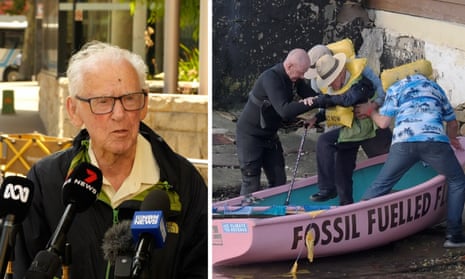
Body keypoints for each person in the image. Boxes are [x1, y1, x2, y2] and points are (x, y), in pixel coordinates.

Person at [13, 41, 208, 278]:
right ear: (74, 110)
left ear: (144, 104)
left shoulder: (184, 182)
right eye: (103, 102)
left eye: (130, 98)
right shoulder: (46, 181)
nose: (119, 114)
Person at [356, 73, 465, 248]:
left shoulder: (396, 87)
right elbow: (452, 124)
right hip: (434, 143)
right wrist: (452, 139)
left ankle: (358, 220)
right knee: (457, 181)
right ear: (427, 77)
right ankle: (454, 236)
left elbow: (383, 123)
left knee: (382, 184)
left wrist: (371, 111)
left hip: (403, 143)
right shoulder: (436, 88)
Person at [303, 52, 384, 205]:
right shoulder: (334, 86)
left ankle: (327, 188)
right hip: (348, 130)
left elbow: (348, 99)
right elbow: (332, 104)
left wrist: (320, 100)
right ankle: (346, 206)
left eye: (332, 81)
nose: (332, 85)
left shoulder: (360, 82)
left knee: (324, 141)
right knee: (342, 171)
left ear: (341, 73)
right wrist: (316, 118)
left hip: (361, 128)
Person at [235, 48, 318, 198]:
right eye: (301, 72)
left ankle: (276, 215)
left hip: (270, 136)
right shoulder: (271, 78)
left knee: (279, 181)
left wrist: (328, 101)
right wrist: (307, 104)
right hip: (250, 136)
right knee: (251, 180)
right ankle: (245, 217)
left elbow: (314, 98)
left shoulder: (294, 79)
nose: (303, 76)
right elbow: (284, 111)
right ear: (290, 66)